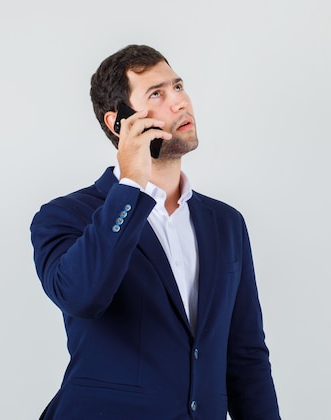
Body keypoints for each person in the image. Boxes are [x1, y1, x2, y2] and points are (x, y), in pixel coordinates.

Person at [30, 44, 281, 419]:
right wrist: (131, 184)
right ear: (118, 123)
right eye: (157, 94)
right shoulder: (65, 217)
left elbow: (245, 355)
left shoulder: (226, 223)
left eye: (178, 87)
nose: (179, 103)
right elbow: (83, 296)